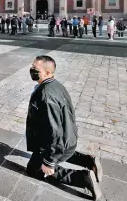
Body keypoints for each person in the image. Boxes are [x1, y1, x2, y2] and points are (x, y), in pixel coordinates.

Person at [26, 55, 103, 200]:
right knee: (52, 152)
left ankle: (83, 178)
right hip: (68, 139)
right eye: (32, 66)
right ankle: (88, 161)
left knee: (34, 169)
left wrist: (49, 161)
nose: (31, 70)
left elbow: (55, 132)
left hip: (58, 143)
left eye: (35, 69)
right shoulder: (55, 85)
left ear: (48, 73)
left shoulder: (46, 95)